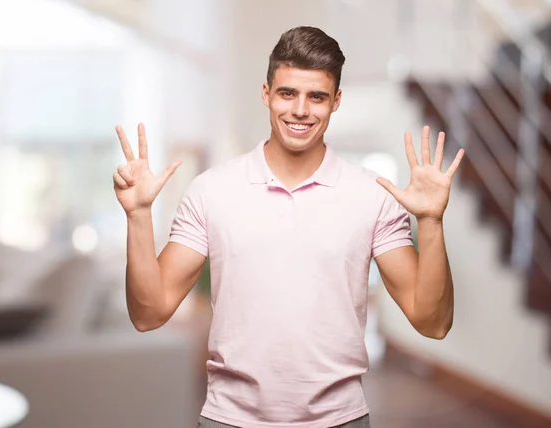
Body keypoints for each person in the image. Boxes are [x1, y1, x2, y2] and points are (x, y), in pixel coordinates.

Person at [113, 26, 464, 428]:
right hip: (230, 420)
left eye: (316, 96)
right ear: (266, 94)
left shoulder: (372, 195)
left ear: (336, 102)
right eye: (287, 93)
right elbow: (148, 313)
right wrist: (138, 216)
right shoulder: (212, 191)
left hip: (340, 420)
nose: (300, 110)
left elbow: (432, 322)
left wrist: (431, 221)